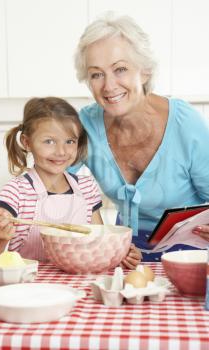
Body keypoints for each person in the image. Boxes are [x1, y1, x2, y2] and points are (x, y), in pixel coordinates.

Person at [70, 12, 209, 261]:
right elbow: (50, 183)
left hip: (191, 256)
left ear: (144, 71)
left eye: (120, 69)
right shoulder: (85, 125)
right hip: (124, 253)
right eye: (96, 74)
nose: (109, 86)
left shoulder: (185, 123)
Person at [0, 97, 141, 267]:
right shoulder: (16, 192)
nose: (61, 151)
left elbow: (98, 243)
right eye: (49, 141)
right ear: (27, 143)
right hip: (27, 287)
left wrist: (120, 253)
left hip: (78, 284)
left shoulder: (86, 188)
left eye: (69, 141)